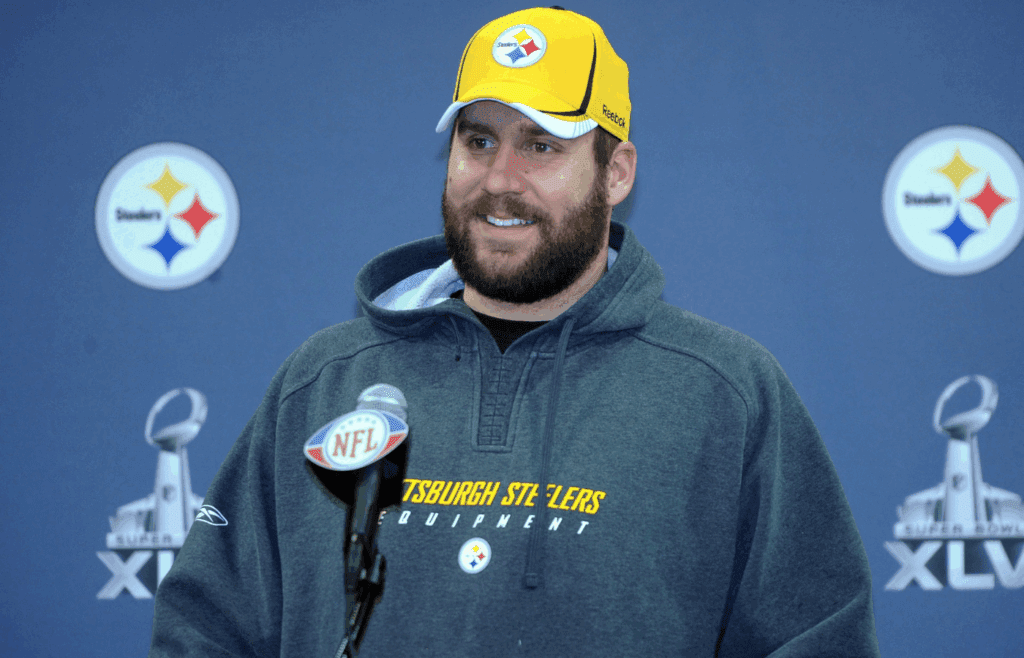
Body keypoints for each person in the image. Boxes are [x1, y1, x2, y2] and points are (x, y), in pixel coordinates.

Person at [150, 7, 880, 657]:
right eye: (479, 140)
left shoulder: (725, 393)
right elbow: (206, 627)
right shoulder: (325, 380)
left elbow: (818, 637)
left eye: (541, 146)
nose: (500, 178)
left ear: (616, 172)